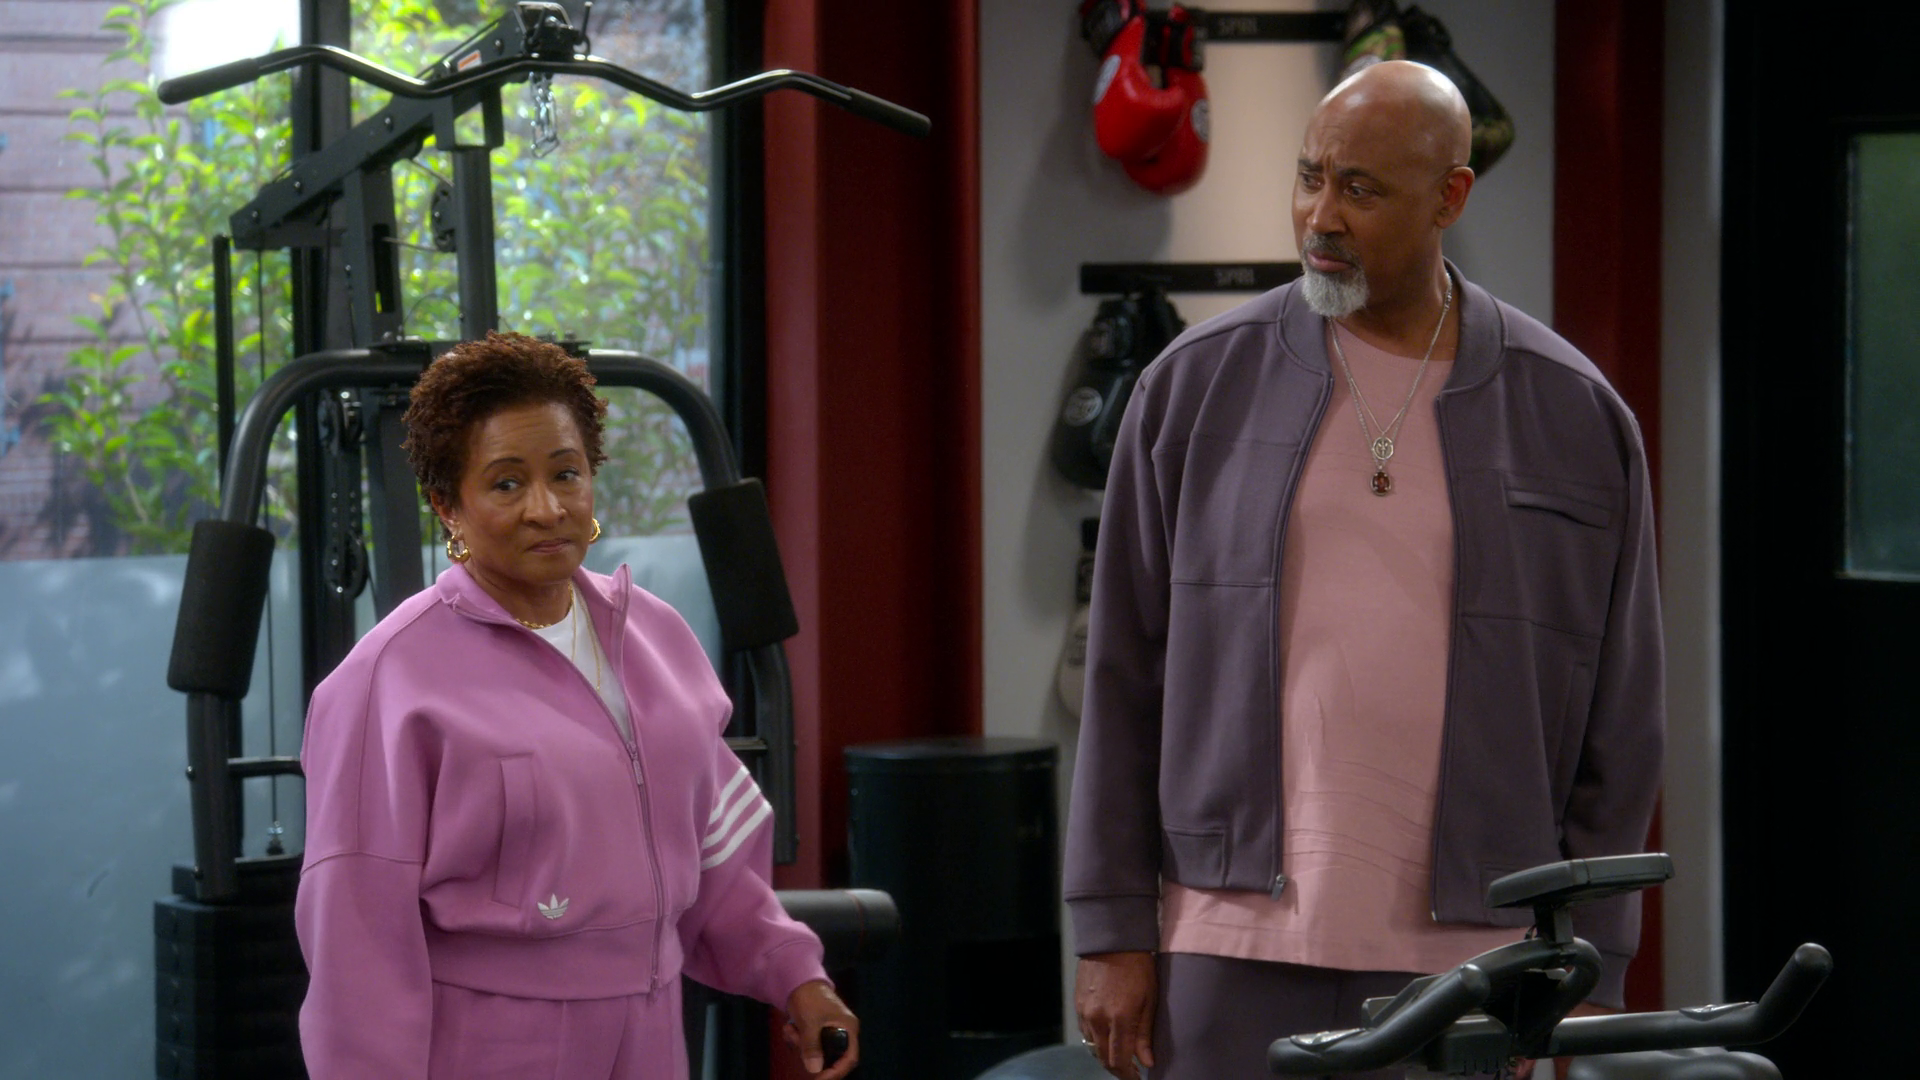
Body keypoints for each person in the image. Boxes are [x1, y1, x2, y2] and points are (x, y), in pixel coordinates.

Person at [1065, 61, 1664, 1080]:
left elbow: (1622, 718)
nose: (1321, 216)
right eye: (1310, 177)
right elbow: (1123, 677)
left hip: (1482, 954)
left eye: (1361, 189)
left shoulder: (1575, 414)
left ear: (1450, 197)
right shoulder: (1190, 391)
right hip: (1227, 938)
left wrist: (1594, 964)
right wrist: (1110, 927)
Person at [295, 332, 858, 1079]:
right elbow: (357, 949)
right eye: (506, 484)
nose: (547, 508)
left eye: (566, 473)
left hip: (653, 1030)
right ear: (447, 505)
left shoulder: (657, 638)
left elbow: (712, 856)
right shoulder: (384, 684)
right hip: (491, 1045)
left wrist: (796, 975)